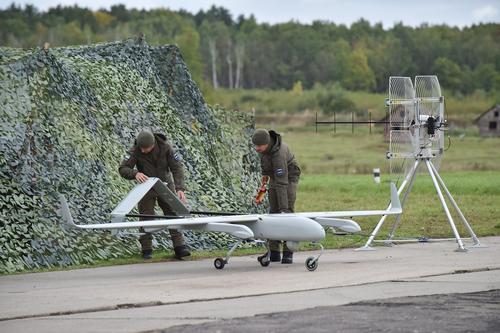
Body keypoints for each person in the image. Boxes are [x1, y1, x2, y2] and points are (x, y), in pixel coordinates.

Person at [119, 130, 191, 260]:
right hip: (146, 187)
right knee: (145, 216)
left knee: (173, 213)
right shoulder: (135, 150)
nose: (144, 151)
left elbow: (177, 168)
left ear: (153, 144)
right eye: (142, 148)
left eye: (146, 148)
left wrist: (180, 188)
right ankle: (146, 249)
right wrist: (135, 173)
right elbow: (123, 168)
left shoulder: (166, 148)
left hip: (165, 185)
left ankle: (180, 247)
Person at [252, 128, 301, 264]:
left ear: (266, 143)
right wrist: (263, 184)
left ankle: (288, 252)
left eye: (259, 146)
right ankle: (273, 251)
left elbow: (281, 183)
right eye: (255, 146)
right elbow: (266, 169)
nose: (256, 148)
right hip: (275, 178)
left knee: (286, 213)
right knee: (272, 212)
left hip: (288, 179)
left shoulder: (279, 154)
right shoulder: (264, 151)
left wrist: (284, 208)